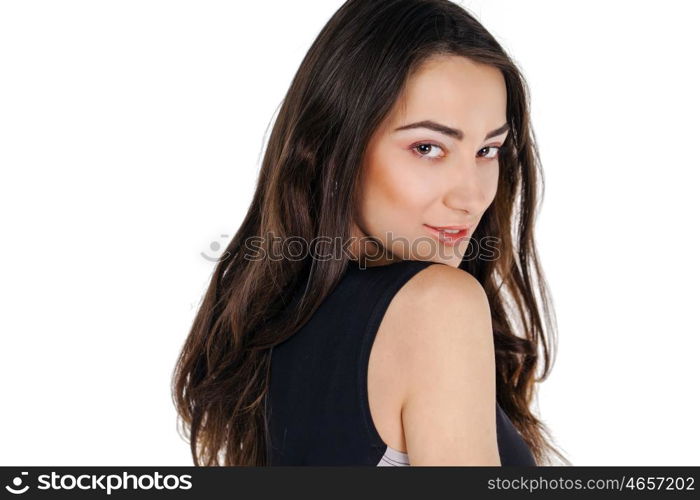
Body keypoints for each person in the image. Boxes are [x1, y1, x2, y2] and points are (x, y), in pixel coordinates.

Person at [172, 0, 570, 466]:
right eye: (428, 147)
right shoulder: (438, 305)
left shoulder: (276, 329)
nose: (471, 196)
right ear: (338, 142)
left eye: (488, 150)